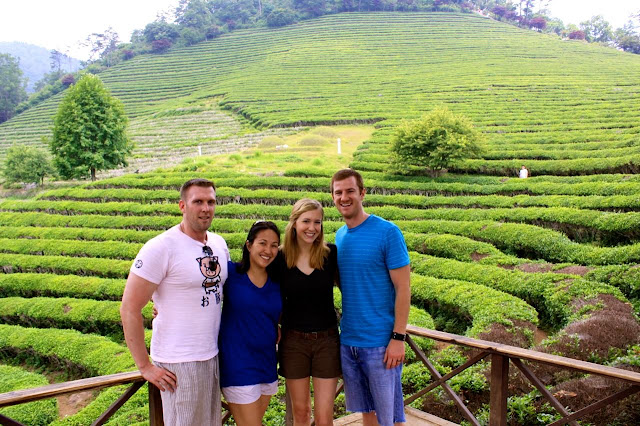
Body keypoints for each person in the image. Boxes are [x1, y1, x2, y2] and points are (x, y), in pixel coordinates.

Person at [120, 178, 229, 425]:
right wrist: (145, 366)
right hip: (178, 362)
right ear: (182, 205)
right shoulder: (160, 247)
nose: (205, 208)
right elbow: (129, 308)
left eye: (211, 202)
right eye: (198, 201)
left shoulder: (218, 244)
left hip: (211, 355)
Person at [330, 169, 411, 426]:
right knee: (367, 413)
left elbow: (404, 288)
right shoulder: (339, 237)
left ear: (362, 193)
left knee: (388, 417)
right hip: (349, 341)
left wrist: (398, 337)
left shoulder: (387, 232)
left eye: (350, 191)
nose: (344, 197)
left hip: (380, 344)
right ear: (332, 197)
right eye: (338, 192)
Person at [274, 198, 341, 426]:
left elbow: (351, 288)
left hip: (327, 340)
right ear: (294, 223)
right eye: (306, 221)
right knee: (301, 414)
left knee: (324, 417)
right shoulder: (280, 258)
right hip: (293, 342)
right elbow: (269, 298)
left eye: (317, 222)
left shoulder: (330, 254)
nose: (312, 228)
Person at [218, 220, 282, 426]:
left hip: (267, 362)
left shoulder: (277, 281)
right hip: (237, 364)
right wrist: (162, 307)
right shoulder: (230, 273)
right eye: (262, 243)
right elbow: (195, 286)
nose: (268, 250)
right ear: (249, 245)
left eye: (274, 245)